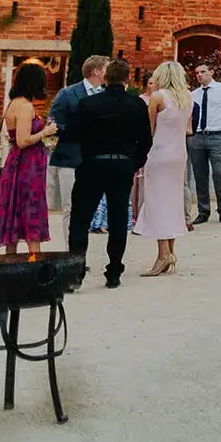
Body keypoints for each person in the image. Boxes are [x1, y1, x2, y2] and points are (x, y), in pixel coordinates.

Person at [67, 58, 153, 288]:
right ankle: (114, 270)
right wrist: (135, 162)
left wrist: (82, 161)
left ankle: (76, 271)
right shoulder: (136, 105)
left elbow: (75, 136)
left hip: (93, 164)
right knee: (117, 218)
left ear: (105, 78)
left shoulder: (88, 104)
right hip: (122, 164)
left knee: (80, 219)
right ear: (127, 79)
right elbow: (145, 140)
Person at [0, 61, 55, 255]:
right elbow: (24, 140)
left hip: (18, 163)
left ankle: (11, 261)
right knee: (29, 208)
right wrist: (46, 131)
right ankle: (35, 261)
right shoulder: (25, 106)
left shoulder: (13, 103)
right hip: (28, 166)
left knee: (14, 211)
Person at [134, 61, 194, 276]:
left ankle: (163, 254)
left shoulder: (158, 97)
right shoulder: (188, 97)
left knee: (157, 202)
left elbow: (148, 130)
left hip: (159, 153)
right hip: (179, 154)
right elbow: (188, 129)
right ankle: (170, 251)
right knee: (172, 201)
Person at [48, 54, 105, 214]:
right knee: (71, 208)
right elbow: (53, 124)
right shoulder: (67, 94)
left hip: (97, 159)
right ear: (96, 71)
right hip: (70, 158)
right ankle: (72, 240)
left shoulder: (105, 95)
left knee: (91, 207)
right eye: (107, 69)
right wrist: (79, 129)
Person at [187, 63, 221, 224]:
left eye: (203, 72)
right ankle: (203, 211)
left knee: (219, 173)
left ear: (211, 72)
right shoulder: (193, 94)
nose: (199, 75)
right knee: (200, 175)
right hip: (198, 136)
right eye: (197, 73)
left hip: (217, 135)